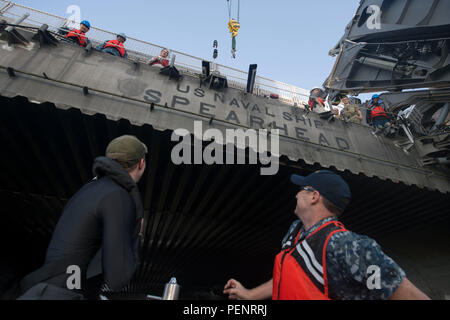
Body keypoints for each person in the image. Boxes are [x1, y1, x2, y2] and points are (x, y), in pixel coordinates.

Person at [224, 170, 430, 300]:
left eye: (302, 189)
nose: (296, 194)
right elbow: (290, 278)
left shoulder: (350, 247)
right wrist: (249, 294)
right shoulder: (295, 232)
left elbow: (403, 293)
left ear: (314, 196)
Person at [18, 135, 148, 300]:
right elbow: (118, 278)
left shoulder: (87, 190)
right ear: (141, 163)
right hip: (66, 295)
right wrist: (137, 235)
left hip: (44, 291)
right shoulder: (118, 196)